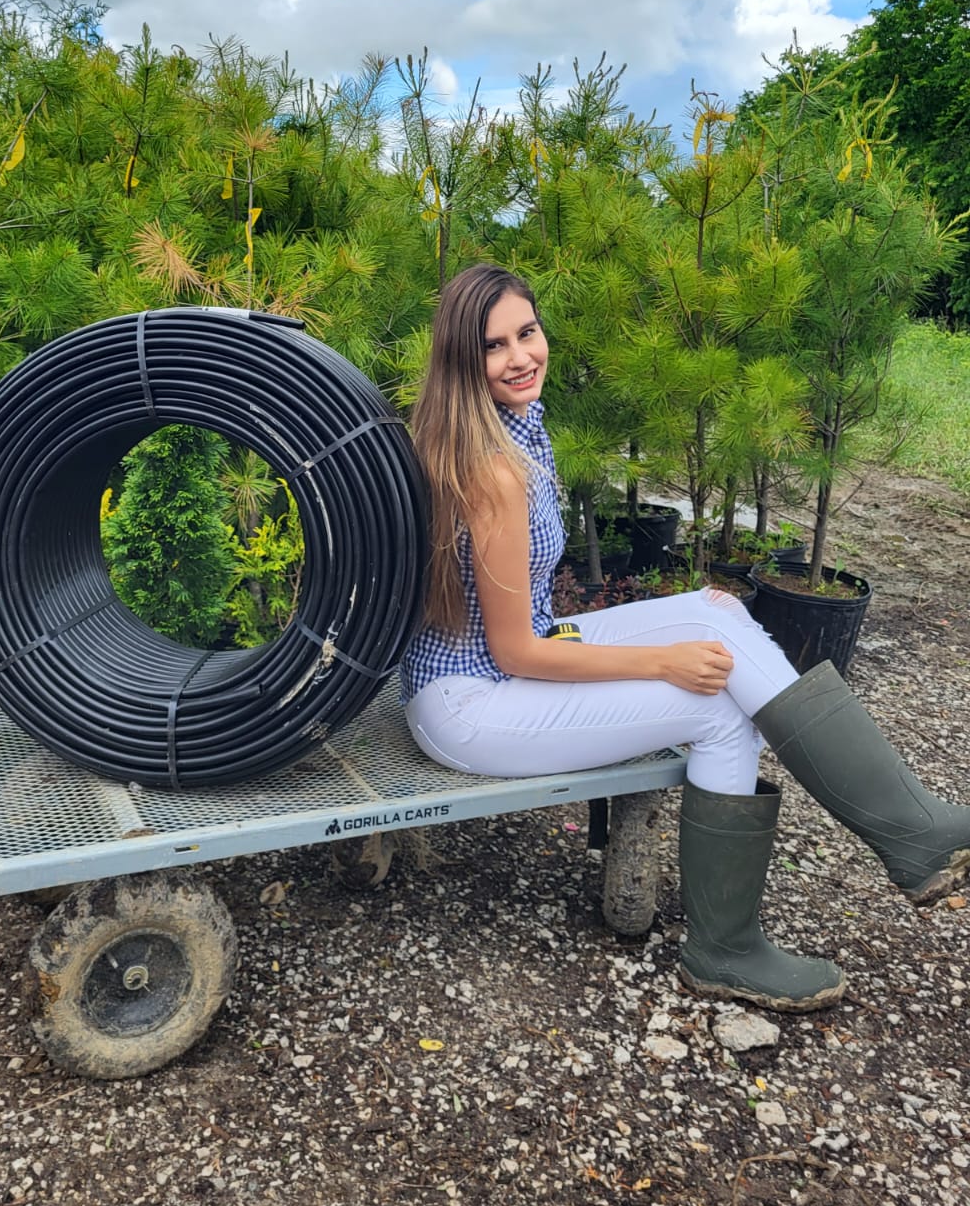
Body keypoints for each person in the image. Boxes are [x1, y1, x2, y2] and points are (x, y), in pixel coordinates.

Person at [400, 262, 970, 1012]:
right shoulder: (492, 470)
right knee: (715, 706)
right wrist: (660, 659)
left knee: (721, 615)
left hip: (507, 663)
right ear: (462, 362)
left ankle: (912, 829)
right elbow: (516, 653)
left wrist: (682, 621)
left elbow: (533, 631)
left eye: (527, 332)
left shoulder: (510, 430)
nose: (520, 357)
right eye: (494, 346)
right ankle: (725, 949)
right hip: (471, 701)